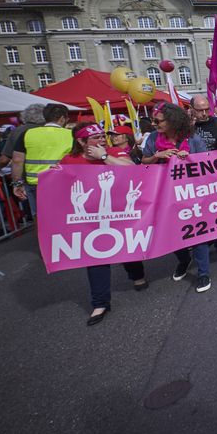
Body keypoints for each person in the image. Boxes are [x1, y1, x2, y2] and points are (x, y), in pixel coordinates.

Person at [59, 122, 146, 325]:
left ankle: (137, 275)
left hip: (119, 212)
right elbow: (61, 185)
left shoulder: (114, 152)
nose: (102, 141)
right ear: (81, 141)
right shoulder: (69, 159)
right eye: (96, 138)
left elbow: (132, 169)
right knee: (95, 256)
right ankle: (100, 303)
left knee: (126, 245)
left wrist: (105, 157)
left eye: (102, 136)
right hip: (91, 218)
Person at [141, 103, 213, 292]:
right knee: (171, 232)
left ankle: (203, 273)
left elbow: (207, 161)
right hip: (165, 195)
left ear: (172, 120)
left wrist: (188, 158)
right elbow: (144, 161)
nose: (155, 124)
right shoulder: (153, 139)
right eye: (154, 121)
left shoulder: (193, 139)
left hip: (192, 193)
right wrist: (158, 155)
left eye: (158, 121)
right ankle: (184, 259)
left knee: (198, 232)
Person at [189, 95, 217, 263]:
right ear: (192, 109)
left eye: (206, 109)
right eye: (200, 110)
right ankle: (203, 244)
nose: (204, 113)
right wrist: (188, 128)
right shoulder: (186, 126)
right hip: (194, 179)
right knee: (198, 214)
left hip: (215, 176)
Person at [10, 103, 72, 216]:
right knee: (64, 215)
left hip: (36, 183)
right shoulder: (71, 135)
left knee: (40, 217)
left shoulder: (28, 134)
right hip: (62, 182)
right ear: (62, 119)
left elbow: (17, 160)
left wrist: (17, 183)